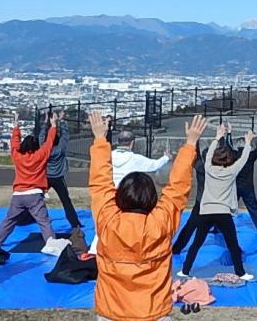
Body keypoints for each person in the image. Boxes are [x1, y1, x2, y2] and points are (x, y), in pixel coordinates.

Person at [88, 109, 208, 321]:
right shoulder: (161, 222)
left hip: (111, 313)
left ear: (120, 196)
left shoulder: (107, 219)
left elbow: (100, 183)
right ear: (152, 198)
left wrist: (100, 139)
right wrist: (190, 144)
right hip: (153, 313)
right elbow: (177, 188)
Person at [178, 124, 255, 280]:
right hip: (223, 213)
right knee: (233, 245)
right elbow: (243, 160)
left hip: (205, 211)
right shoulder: (231, 171)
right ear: (229, 161)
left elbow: (208, 155)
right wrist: (248, 143)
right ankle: (241, 272)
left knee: (197, 243)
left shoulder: (209, 168)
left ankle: (185, 271)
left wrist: (217, 137)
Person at [89, 126, 172, 254]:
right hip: (127, 196)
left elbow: (98, 168)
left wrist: (99, 139)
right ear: (132, 143)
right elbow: (154, 165)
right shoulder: (135, 159)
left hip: (107, 194)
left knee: (103, 225)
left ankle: (94, 252)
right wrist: (166, 157)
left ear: (118, 141)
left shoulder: (108, 155)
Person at [0, 112, 57, 249]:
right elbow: (49, 142)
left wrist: (16, 126)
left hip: (18, 195)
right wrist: (54, 125)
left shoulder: (17, 156)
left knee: (9, 221)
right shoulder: (40, 155)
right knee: (44, 221)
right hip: (34, 194)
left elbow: (14, 143)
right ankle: (52, 245)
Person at [39, 111, 81, 230]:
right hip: (58, 178)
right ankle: (75, 223)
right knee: (66, 201)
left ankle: (26, 217)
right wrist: (61, 121)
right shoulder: (60, 149)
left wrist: (47, 122)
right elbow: (65, 135)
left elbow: (42, 137)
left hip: (46, 177)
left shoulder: (45, 149)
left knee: (36, 199)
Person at [231, 125, 257, 234]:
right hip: (247, 187)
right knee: (254, 208)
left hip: (236, 186)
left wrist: (228, 133)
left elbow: (228, 146)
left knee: (228, 209)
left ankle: (217, 227)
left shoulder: (235, 155)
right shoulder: (250, 156)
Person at [171, 141, 206, 255]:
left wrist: (195, 139)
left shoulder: (201, 167)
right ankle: (235, 251)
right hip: (215, 204)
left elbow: (197, 156)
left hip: (201, 203)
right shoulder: (219, 169)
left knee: (190, 227)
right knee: (227, 229)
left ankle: (177, 249)